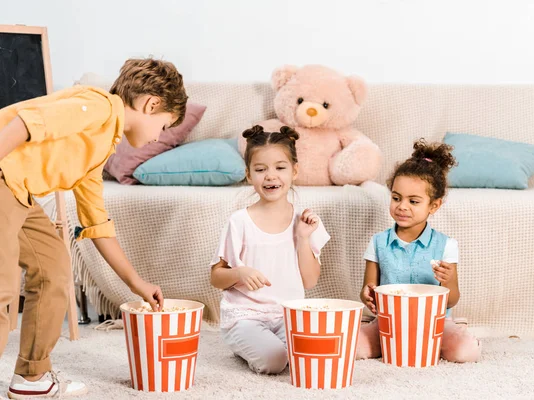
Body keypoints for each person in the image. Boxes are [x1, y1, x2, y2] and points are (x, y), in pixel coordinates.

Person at [0, 58, 187, 398]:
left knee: (54, 269)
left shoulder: (100, 148)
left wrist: (137, 283)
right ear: (151, 104)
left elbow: (97, 225)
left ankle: (32, 378)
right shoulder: (98, 107)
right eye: (163, 127)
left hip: (19, 193)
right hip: (2, 177)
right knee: (3, 289)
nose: (159, 137)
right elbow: (27, 123)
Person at [210, 125, 330, 374]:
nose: (271, 176)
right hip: (245, 317)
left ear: (294, 170)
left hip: (288, 317)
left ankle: (263, 345)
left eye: (280, 167)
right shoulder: (239, 221)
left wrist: (303, 238)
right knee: (276, 361)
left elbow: (309, 281)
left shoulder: (305, 222)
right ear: (248, 174)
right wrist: (239, 273)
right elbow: (216, 277)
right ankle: (246, 343)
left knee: (315, 353)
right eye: (260, 169)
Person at [356, 138, 481, 362]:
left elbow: (451, 300)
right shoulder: (378, 242)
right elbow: (369, 288)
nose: (402, 206)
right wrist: (367, 295)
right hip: (389, 321)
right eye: (396, 198)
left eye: (414, 201)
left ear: (434, 205)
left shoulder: (446, 245)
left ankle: (456, 332)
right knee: (352, 347)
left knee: (465, 352)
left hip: (434, 323)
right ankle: (393, 341)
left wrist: (448, 279)